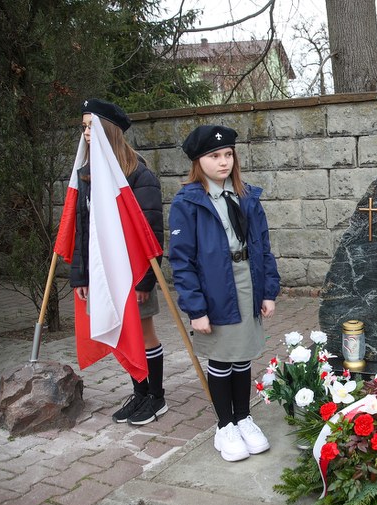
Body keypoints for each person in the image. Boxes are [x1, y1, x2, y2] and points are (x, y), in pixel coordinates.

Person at [168, 125, 280, 462]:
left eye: (228, 154)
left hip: (247, 279)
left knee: (243, 353)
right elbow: (182, 261)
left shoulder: (247, 196)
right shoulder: (188, 202)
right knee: (221, 355)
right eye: (214, 156)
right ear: (198, 161)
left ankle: (243, 416)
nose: (223, 162)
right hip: (215, 285)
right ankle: (225, 424)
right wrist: (196, 308)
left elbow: (263, 247)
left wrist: (268, 291)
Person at [71, 99, 168, 427]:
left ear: (107, 129)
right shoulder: (88, 175)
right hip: (103, 274)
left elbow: (151, 230)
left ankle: (156, 397)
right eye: (83, 127)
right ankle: (139, 394)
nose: (85, 133)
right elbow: (83, 231)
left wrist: (145, 281)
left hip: (133, 272)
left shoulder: (138, 174)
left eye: (91, 126)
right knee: (124, 332)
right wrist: (80, 275)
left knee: (143, 332)